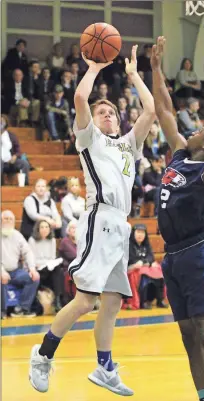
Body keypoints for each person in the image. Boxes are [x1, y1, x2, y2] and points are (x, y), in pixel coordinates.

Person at [29, 44, 155, 395]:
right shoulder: (90, 139)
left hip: (121, 226)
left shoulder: (129, 145)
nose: (106, 115)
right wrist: (94, 67)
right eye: (102, 112)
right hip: (99, 218)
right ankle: (42, 354)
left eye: (111, 112)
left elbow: (151, 110)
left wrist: (134, 76)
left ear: (118, 119)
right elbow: (81, 99)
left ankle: (104, 368)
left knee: (112, 303)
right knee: (86, 300)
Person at [151, 36, 204, 401]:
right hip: (173, 256)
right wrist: (155, 70)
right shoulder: (180, 156)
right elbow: (165, 110)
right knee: (187, 334)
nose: (195, 127)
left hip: (201, 254)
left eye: (201, 128)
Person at [1, 210, 39, 318]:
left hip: (15, 271)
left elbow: (28, 252)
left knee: (34, 278)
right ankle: (2, 311)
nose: (8, 221)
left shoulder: (17, 235)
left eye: (11, 219)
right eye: (5, 218)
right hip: (2, 271)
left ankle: (22, 308)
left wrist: (32, 268)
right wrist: (2, 272)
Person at [28, 220, 64, 312]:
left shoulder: (52, 240)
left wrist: (50, 263)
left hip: (49, 268)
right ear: (38, 229)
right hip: (38, 269)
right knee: (57, 271)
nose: (44, 229)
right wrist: (44, 263)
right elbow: (32, 259)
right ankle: (57, 300)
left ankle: (57, 300)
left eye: (47, 227)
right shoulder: (32, 240)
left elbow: (52, 257)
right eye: (42, 227)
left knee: (58, 270)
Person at [1, 114, 30, 185]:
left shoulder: (11, 136)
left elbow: (18, 150)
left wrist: (15, 156)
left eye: (2, 122)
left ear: (6, 123)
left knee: (24, 163)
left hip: (10, 163)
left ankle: (25, 184)